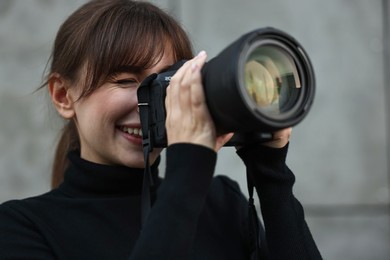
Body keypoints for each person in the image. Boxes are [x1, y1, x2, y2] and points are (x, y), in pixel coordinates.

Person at [0, 0, 322, 259]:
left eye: (165, 83)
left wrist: (271, 176)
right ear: (63, 96)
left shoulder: (223, 204)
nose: (151, 102)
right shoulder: (22, 228)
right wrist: (188, 171)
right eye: (125, 81)